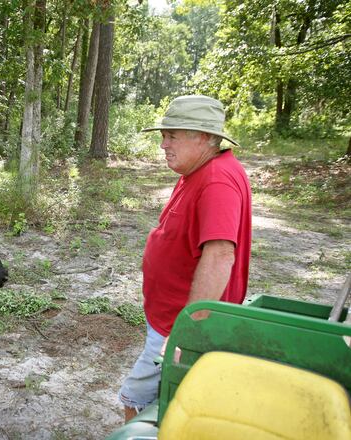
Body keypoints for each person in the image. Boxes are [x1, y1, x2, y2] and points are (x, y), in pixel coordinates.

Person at [118, 95, 252, 422]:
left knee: (135, 398)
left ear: (203, 137)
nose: (163, 144)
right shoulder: (200, 170)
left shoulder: (217, 179)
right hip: (168, 320)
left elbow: (220, 255)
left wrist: (187, 331)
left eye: (172, 135)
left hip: (177, 328)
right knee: (174, 401)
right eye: (163, 135)